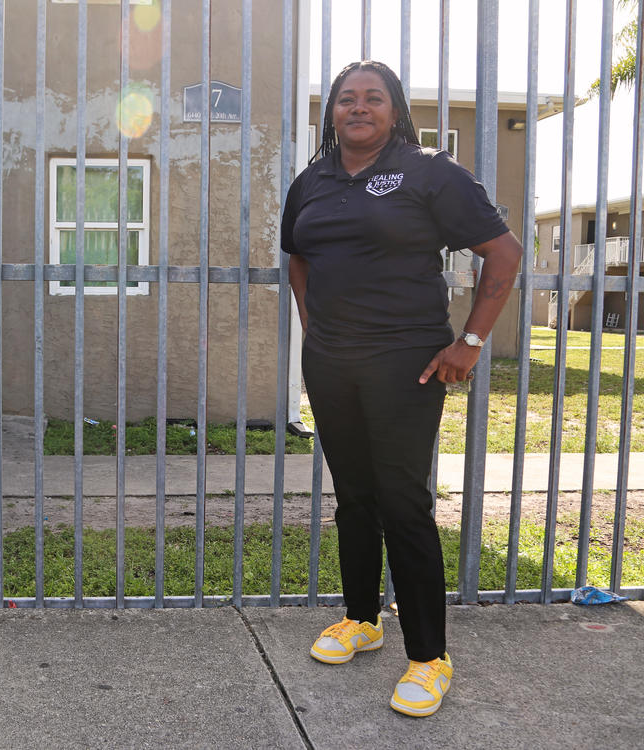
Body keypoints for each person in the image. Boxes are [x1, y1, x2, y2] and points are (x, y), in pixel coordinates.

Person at [280, 60, 521, 718]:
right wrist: (315, 328)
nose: (359, 108)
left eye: (373, 98)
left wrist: (468, 343)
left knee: (402, 501)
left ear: (394, 110)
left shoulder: (429, 173)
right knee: (355, 499)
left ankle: (429, 657)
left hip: (405, 363)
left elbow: (503, 252)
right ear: (331, 113)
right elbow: (298, 257)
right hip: (331, 364)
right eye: (346, 99)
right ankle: (362, 619)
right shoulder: (311, 182)